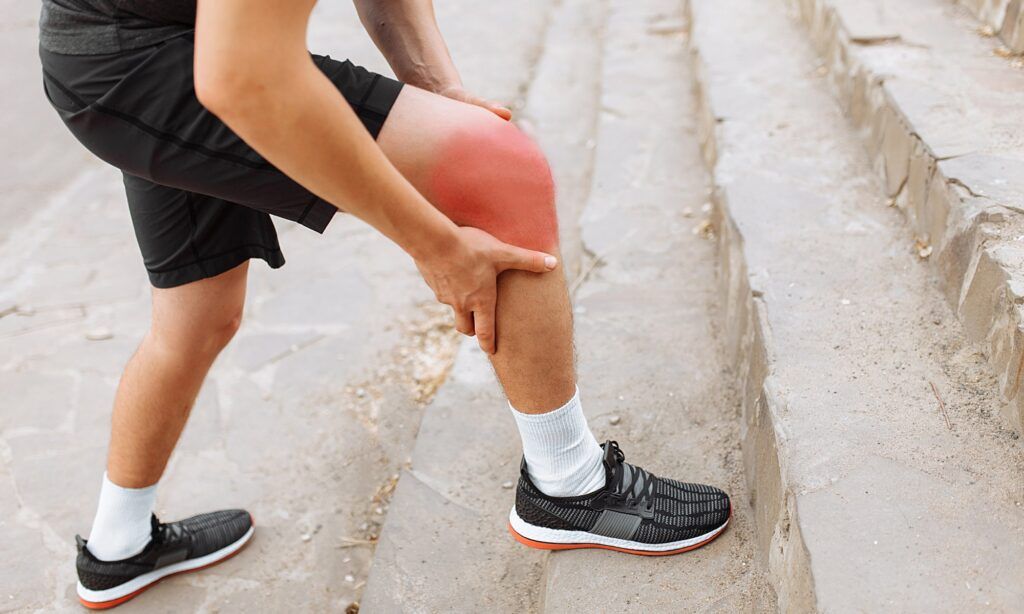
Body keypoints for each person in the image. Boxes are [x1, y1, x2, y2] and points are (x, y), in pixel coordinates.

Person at [38, 0, 732, 608]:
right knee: (503, 170)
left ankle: (118, 546)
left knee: (198, 316)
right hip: (154, 63)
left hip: (138, 50)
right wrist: (434, 243)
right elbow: (243, 80)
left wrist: (438, 87)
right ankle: (571, 484)